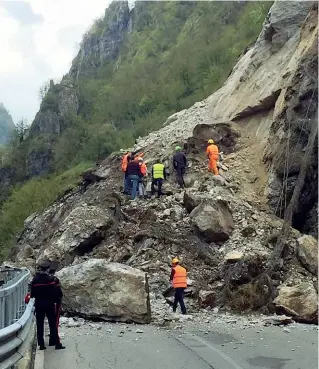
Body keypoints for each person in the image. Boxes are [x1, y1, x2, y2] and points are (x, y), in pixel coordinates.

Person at [31, 260, 58, 350]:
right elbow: (54, 292)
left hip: (39, 304)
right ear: (47, 269)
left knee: (40, 324)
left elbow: (32, 294)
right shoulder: (50, 279)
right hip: (49, 304)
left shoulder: (35, 279)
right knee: (52, 323)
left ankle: (41, 344)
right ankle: (52, 341)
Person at [48, 261, 65, 350]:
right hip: (55, 303)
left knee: (51, 323)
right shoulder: (54, 280)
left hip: (47, 303)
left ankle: (51, 340)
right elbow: (58, 292)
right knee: (55, 323)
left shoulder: (46, 279)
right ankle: (57, 343)